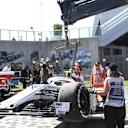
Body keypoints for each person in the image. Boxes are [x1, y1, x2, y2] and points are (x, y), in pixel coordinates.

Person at [93, 63, 126, 128]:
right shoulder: (122, 79)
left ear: (109, 71)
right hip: (121, 105)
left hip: (110, 106)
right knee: (120, 124)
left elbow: (104, 93)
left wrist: (95, 92)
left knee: (110, 125)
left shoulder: (108, 79)